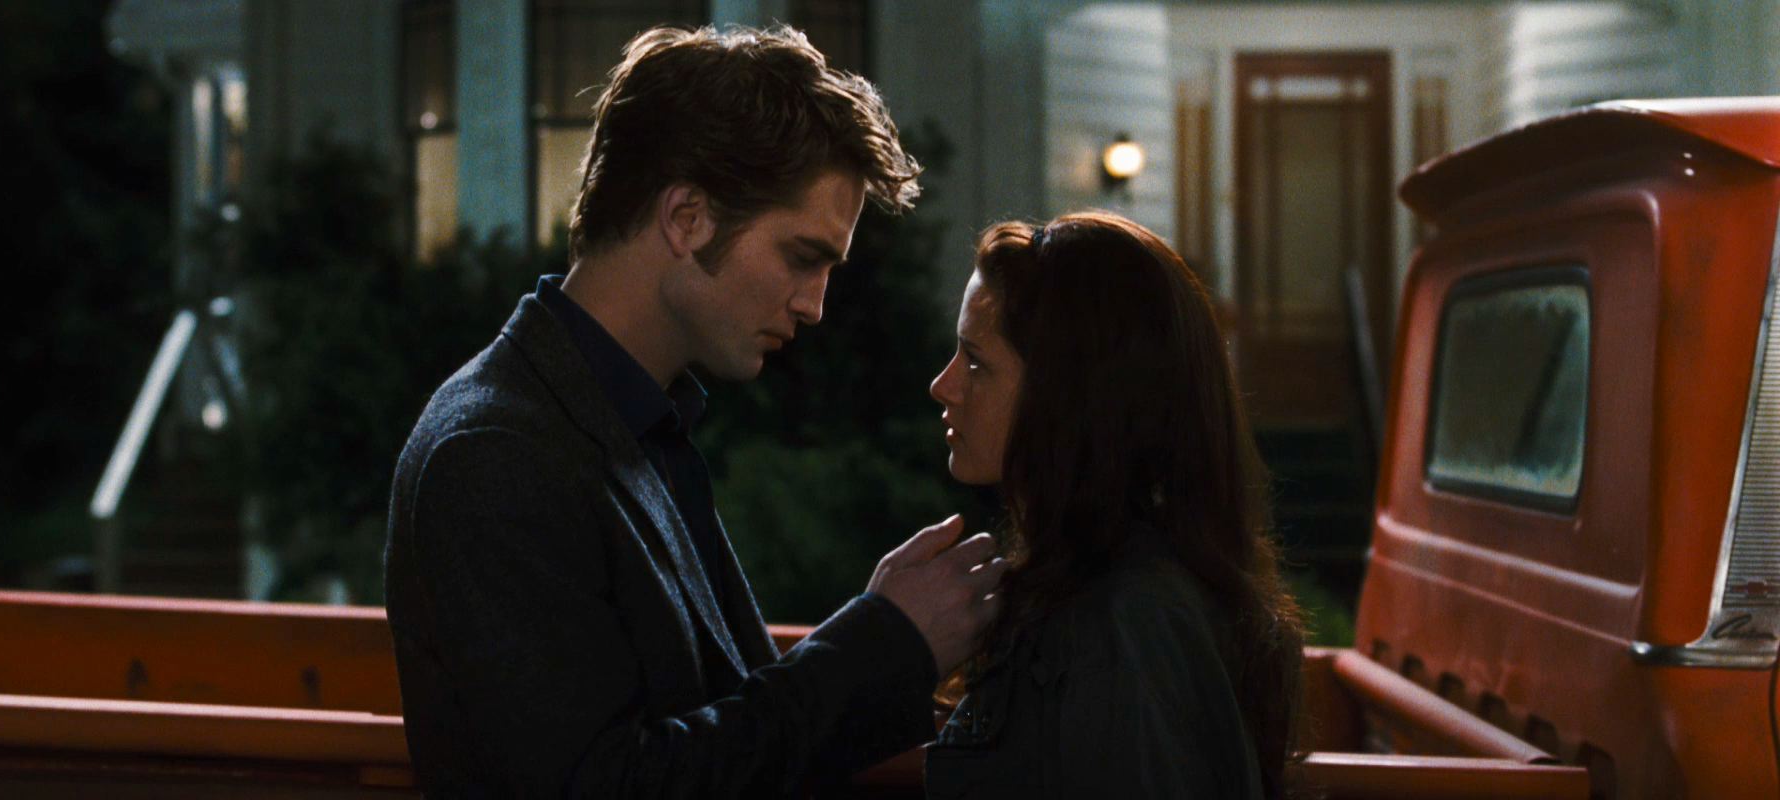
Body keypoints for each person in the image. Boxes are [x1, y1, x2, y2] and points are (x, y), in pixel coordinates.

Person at [382, 25, 1007, 798]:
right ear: (686, 218)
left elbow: (718, 729)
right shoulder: (495, 453)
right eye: (801, 257)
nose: (814, 306)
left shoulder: (628, 422)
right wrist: (882, 644)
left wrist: (878, 634)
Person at [922, 212, 1307, 798]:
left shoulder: (1126, 625)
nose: (943, 385)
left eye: (976, 362)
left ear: (1070, 395)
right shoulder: (1085, 590)